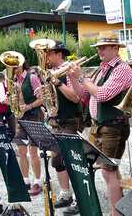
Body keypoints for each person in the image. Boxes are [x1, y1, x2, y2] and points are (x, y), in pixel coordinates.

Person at [69, 31, 132, 216]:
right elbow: (83, 94)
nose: (99, 51)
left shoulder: (122, 69)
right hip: (100, 125)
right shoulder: (102, 69)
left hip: (113, 125)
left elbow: (103, 95)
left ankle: (116, 213)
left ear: (115, 48)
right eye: (98, 47)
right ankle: (120, 209)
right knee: (111, 170)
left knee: (108, 171)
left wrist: (81, 77)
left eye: (103, 47)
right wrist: (73, 78)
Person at [44, 41, 83, 214]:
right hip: (56, 121)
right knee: (57, 161)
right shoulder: (49, 73)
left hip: (70, 119)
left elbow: (76, 98)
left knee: (71, 160)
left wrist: (57, 83)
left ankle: (79, 197)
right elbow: (51, 100)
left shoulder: (69, 70)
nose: (47, 57)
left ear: (59, 54)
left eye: (49, 53)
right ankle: (66, 193)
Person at [12, 62, 43, 196]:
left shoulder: (32, 77)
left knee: (33, 151)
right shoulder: (13, 80)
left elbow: (42, 99)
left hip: (34, 116)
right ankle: (25, 180)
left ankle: (38, 181)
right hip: (20, 118)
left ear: (22, 65)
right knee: (21, 151)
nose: (13, 69)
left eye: (15, 66)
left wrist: (29, 106)